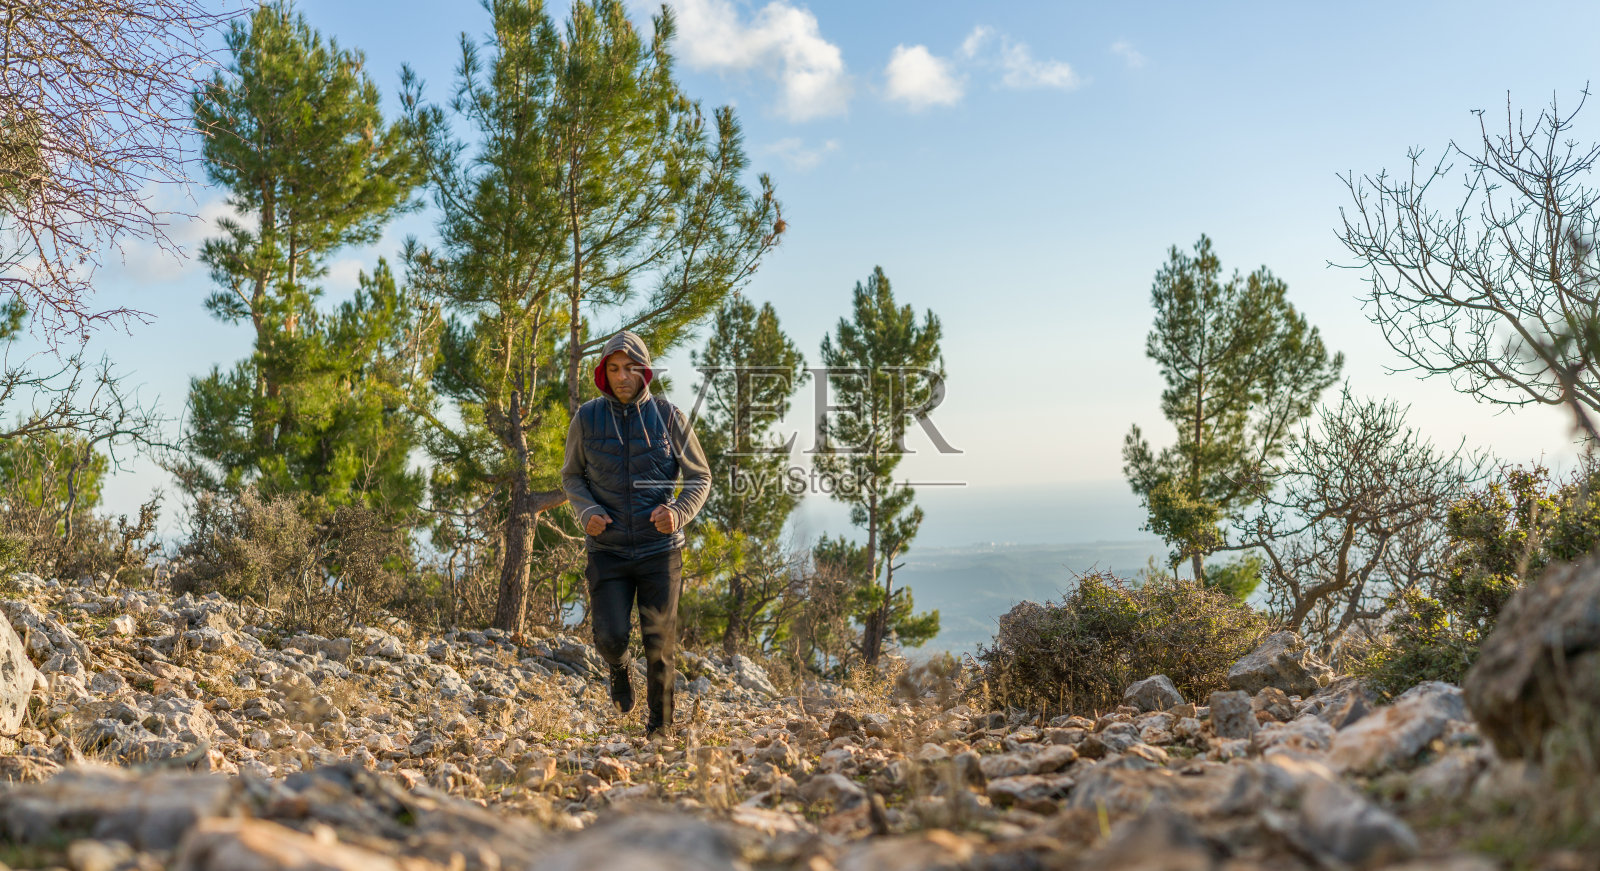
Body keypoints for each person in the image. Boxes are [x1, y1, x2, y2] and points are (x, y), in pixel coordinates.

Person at [560, 330, 711, 737]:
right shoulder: (586, 418)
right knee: (610, 638)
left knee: (659, 646)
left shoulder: (670, 417)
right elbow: (571, 476)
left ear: (644, 371)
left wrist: (678, 513)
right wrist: (587, 510)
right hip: (607, 550)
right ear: (603, 373)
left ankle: (660, 729)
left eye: (630, 368)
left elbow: (700, 477)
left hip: (659, 551)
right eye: (613, 368)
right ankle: (619, 667)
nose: (622, 376)